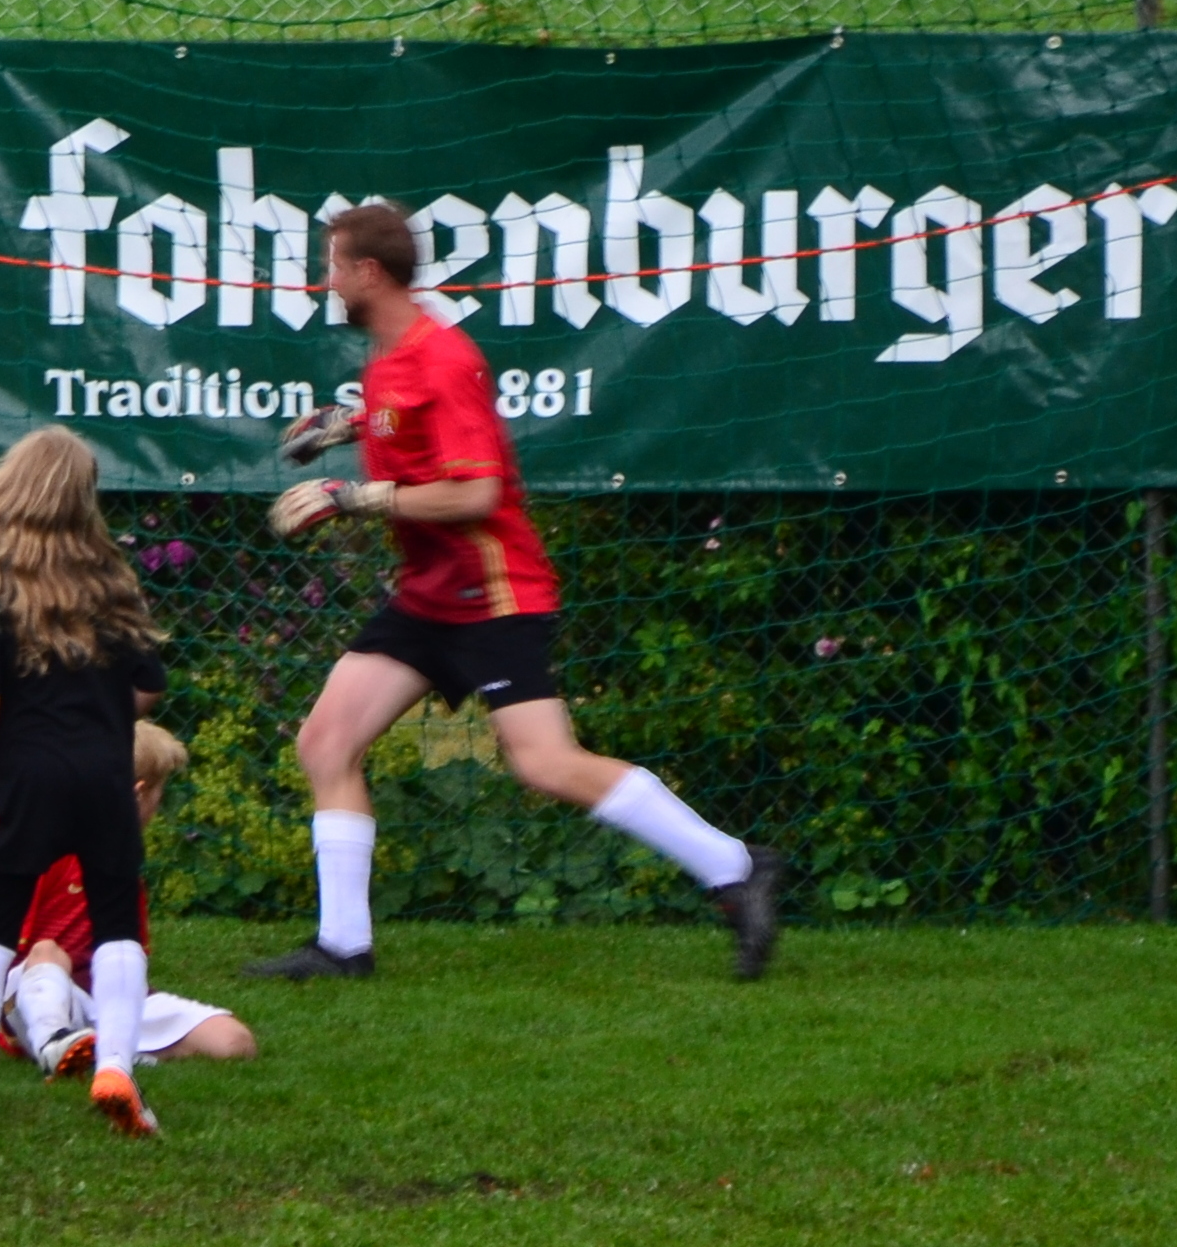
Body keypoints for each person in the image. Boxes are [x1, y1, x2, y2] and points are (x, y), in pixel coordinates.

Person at [254, 202, 783, 981]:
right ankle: (341, 947)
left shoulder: (442, 358)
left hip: (495, 594)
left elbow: (475, 492)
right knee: (325, 743)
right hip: (429, 596)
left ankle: (735, 866)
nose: (322, 281)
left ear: (367, 272)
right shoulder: (390, 362)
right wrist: (348, 424)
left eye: (331, 266)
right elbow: (405, 425)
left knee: (544, 763)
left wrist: (353, 497)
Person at [0, 424, 171, 1141]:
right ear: (83, 498)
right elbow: (148, 686)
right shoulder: (112, 580)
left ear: (11, 487)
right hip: (104, 774)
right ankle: (116, 1069)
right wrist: (99, 713)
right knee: (118, 926)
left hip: (24, 776)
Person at [0, 721, 257, 1077]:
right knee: (47, 951)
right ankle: (55, 1041)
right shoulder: (43, 852)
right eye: (160, 791)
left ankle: (99, 1048)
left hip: (103, 1002)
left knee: (233, 1042)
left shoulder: (124, 868)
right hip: (34, 999)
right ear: (137, 795)